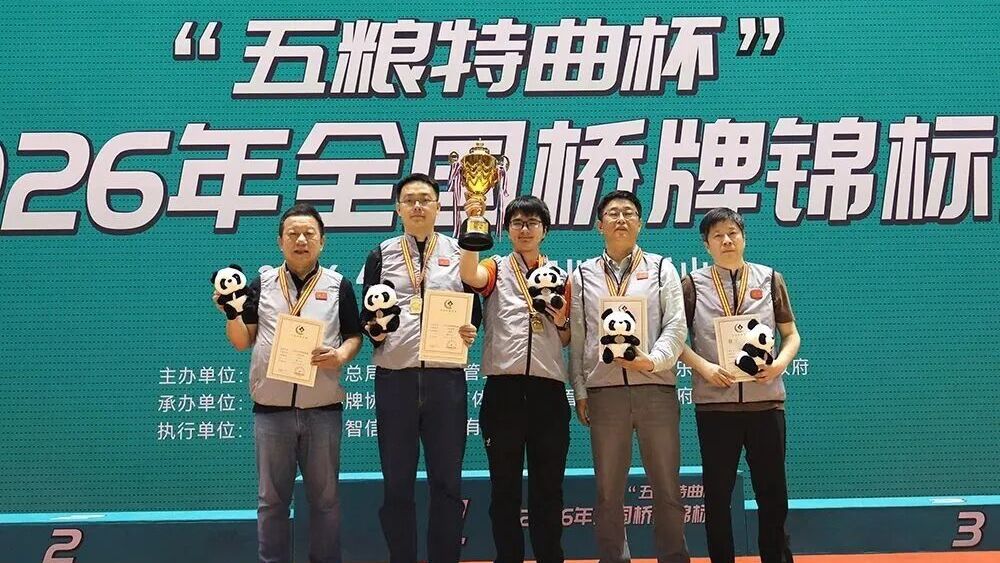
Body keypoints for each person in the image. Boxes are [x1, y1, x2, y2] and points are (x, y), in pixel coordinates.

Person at [214, 203, 363, 563]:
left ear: (322, 242)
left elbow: (354, 335)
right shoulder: (261, 285)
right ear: (280, 242)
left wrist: (340, 355)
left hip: (322, 409)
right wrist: (232, 315)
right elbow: (242, 340)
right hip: (271, 411)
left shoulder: (338, 286)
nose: (301, 240)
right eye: (292, 234)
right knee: (271, 502)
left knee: (325, 501)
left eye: (309, 233)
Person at [361, 173, 482, 563]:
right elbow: (367, 316)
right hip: (395, 379)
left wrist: (469, 329)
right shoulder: (380, 254)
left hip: (445, 380)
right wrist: (375, 331)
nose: (417, 206)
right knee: (397, 483)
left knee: (447, 482)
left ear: (438, 207)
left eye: (425, 199)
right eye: (409, 200)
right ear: (398, 208)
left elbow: (474, 312)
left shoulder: (458, 251)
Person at [568, 190, 690, 563]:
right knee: (608, 491)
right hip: (605, 393)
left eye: (628, 213)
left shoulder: (662, 268)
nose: (621, 219)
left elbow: (676, 326)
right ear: (599, 225)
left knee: (667, 487)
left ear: (640, 223)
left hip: (656, 389)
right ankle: (613, 557)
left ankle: (673, 557)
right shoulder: (582, 274)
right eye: (613, 213)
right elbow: (579, 337)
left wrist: (652, 361)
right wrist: (580, 390)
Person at [678, 207, 801, 563]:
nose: (727, 240)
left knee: (773, 494)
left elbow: (791, 334)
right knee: (717, 497)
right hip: (716, 405)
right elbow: (675, 340)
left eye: (732, 233)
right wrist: (705, 367)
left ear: (744, 238)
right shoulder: (692, 285)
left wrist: (779, 364)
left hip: (766, 403)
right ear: (706, 245)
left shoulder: (770, 278)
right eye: (717, 235)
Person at [459, 195, 571, 563]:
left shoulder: (560, 277)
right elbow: (470, 276)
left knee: (548, 488)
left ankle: (550, 557)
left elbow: (568, 337)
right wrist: (473, 224)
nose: (525, 229)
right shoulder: (495, 268)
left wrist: (561, 320)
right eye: (517, 223)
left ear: (545, 231)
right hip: (503, 392)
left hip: (548, 393)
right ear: (507, 230)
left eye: (532, 223)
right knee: (504, 489)